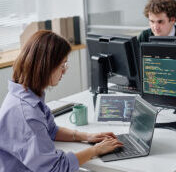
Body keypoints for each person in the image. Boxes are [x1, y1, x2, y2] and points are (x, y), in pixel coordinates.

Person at [0, 30, 123, 172]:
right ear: (46, 67)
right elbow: (56, 168)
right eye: (62, 65)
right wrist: (95, 150)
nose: (64, 71)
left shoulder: (26, 93)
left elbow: (51, 130)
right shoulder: (27, 114)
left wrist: (87, 136)